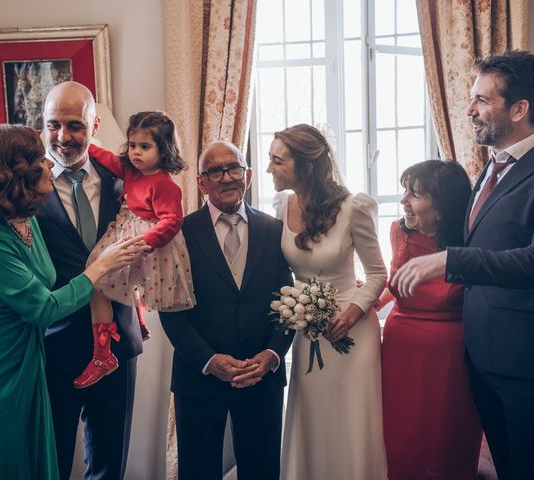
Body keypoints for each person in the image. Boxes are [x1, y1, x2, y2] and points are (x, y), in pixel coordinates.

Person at [391, 50, 534, 480]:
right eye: (471, 98)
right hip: (482, 359)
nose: (469, 109)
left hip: (530, 367)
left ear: (519, 109)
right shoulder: (489, 169)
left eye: (482, 100)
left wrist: (450, 260)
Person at [0, 81, 146, 479]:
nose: (63, 137)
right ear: (41, 126)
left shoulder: (125, 176)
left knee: (110, 463)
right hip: (47, 349)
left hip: (118, 343)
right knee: (45, 462)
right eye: (53, 125)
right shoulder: (16, 188)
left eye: (75, 125)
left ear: (95, 123)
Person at [159, 141, 293, 480]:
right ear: (202, 182)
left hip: (260, 375)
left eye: (234, 168)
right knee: (198, 471)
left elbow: (289, 302)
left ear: (247, 175)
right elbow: (171, 311)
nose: (227, 177)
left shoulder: (275, 231)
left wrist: (273, 355)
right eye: (215, 171)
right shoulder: (179, 234)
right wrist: (208, 360)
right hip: (199, 376)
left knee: (262, 470)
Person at [267, 124, 388, 480]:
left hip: (353, 330)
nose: (270, 169)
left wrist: (351, 313)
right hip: (309, 330)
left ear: (305, 167)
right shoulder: (281, 205)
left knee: (351, 419)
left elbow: (379, 274)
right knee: (314, 415)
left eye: (277, 161)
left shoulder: (354, 208)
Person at [74, 111, 195, 389]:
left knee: (96, 281)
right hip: (127, 232)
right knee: (103, 279)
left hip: (147, 243)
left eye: (145, 147)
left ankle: (102, 354)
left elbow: (172, 220)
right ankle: (127, 328)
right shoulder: (129, 169)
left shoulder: (164, 184)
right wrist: (84, 142)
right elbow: (106, 158)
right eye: (132, 145)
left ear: (162, 149)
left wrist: (146, 242)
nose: (136, 153)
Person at [378, 160, 482, 480]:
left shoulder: (470, 241)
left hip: (450, 359)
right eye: (404, 192)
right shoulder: (398, 231)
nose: (404, 201)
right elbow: (394, 283)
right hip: (399, 352)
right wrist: (361, 304)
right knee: (400, 432)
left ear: (442, 205)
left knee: (445, 436)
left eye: (415, 194)